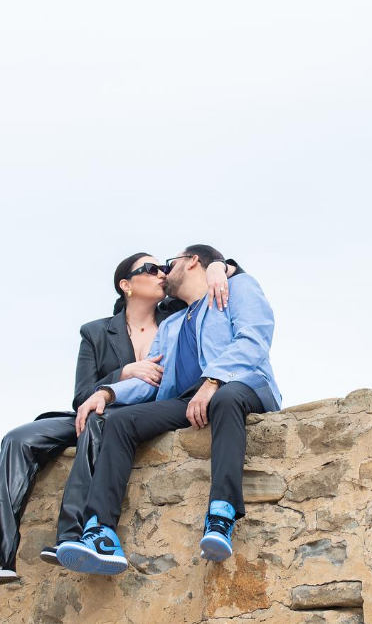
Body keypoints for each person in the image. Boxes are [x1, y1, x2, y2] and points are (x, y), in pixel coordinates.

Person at [0, 253, 240, 585]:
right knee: (18, 437)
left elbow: (210, 283)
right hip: (94, 411)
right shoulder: (96, 332)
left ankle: (72, 535)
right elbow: (82, 393)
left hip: (139, 416)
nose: (161, 272)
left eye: (163, 267)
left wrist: (220, 265)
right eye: (150, 268)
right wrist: (123, 373)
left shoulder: (177, 317)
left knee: (101, 423)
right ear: (126, 285)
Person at [56, 244, 280, 575]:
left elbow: (254, 339)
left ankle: (221, 515)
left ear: (192, 262)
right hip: (186, 399)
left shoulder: (238, 287)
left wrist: (213, 381)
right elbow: (152, 378)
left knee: (226, 398)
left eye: (169, 263)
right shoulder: (172, 324)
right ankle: (101, 533)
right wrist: (107, 393)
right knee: (119, 421)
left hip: (242, 383)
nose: (163, 271)